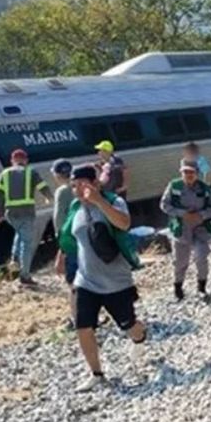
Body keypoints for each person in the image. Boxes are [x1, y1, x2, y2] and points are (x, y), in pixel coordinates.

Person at [59, 165, 147, 393]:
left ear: (95, 183)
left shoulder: (113, 201)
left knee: (129, 325)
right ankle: (96, 374)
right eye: (73, 185)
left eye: (82, 184)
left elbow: (124, 224)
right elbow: (71, 234)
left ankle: (140, 337)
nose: (77, 190)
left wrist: (98, 201)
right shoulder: (75, 207)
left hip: (116, 280)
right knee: (83, 326)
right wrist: (61, 255)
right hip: (85, 280)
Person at [160, 159, 211, 301]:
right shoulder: (174, 186)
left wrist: (201, 215)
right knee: (180, 261)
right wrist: (182, 214)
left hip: (200, 228)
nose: (188, 175)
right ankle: (178, 288)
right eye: (185, 172)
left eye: (191, 172)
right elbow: (164, 205)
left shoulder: (205, 189)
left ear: (197, 173)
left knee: (201, 257)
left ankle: (201, 288)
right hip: (181, 229)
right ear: (181, 172)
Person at [0, 149, 53, 285]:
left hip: (11, 214)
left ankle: (14, 258)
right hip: (27, 212)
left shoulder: (4, 173)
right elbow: (43, 187)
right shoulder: (31, 172)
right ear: (26, 160)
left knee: (19, 233)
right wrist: (49, 198)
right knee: (27, 243)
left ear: (12, 161)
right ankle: (25, 275)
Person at [51, 159, 77, 328]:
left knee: (73, 281)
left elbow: (60, 221)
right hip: (86, 239)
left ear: (57, 175)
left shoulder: (63, 192)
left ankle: (77, 318)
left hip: (71, 242)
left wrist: (61, 249)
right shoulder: (80, 187)